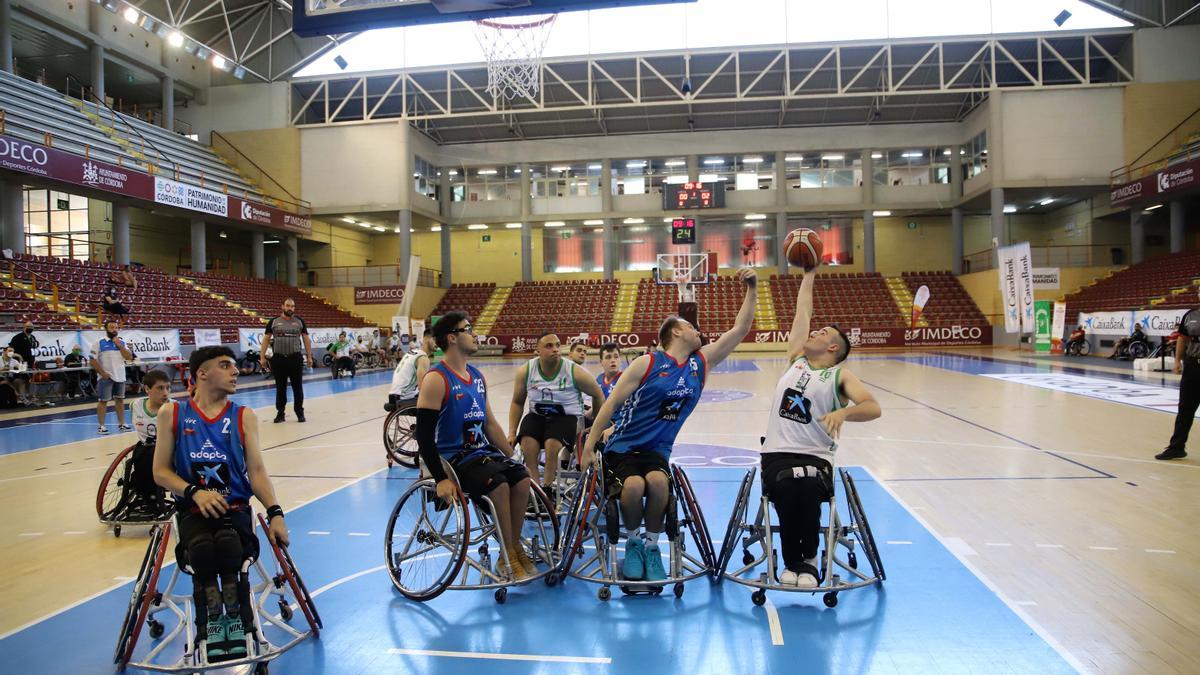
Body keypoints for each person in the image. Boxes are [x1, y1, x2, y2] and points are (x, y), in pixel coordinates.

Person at [582, 267, 758, 583]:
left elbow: (741, 328)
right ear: (675, 332)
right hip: (622, 448)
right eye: (690, 326)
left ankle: (651, 547)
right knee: (634, 486)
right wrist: (587, 446)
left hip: (657, 452)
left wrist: (752, 288)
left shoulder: (699, 364)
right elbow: (610, 404)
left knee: (660, 484)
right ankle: (632, 543)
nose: (697, 330)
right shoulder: (647, 362)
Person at [153, 346, 289, 661]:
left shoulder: (243, 416)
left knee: (228, 545)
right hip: (192, 510)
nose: (236, 371)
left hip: (235, 510)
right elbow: (160, 472)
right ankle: (211, 622)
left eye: (234, 366)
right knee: (200, 550)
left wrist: (276, 513)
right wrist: (193, 492)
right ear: (201, 373)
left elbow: (257, 472)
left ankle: (237, 621)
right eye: (225, 365)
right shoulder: (171, 414)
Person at [759, 268, 881, 587]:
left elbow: (872, 407)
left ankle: (809, 560)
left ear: (833, 349)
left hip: (816, 457)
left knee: (807, 483)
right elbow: (803, 311)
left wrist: (844, 414)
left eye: (823, 332)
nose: (815, 332)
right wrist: (809, 274)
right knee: (786, 485)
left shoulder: (840, 376)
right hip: (777, 454)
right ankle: (792, 561)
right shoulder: (796, 360)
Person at [415, 312, 536, 580]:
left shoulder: (477, 376)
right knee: (500, 484)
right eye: (468, 329)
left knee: (521, 477)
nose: (474, 333)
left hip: (481, 453)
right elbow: (422, 437)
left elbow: (490, 423)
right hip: (454, 460)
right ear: (452, 338)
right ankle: (506, 554)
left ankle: (513, 548)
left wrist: (511, 455)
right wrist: (439, 479)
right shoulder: (436, 379)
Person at [508, 333, 604, 498]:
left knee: (552, 444)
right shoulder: (525, 371)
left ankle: (548, 489)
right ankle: (535, 490)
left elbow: (598, 395)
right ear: (537, 350)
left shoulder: (574, 371)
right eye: (549, 346)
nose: (555, 349)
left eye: (558, 345)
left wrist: (595, 424)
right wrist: (511, 431)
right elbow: (517, 402)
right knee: (527, 443)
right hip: (537, 415)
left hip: (568, 417)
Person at [1156, 289, 1200, 461]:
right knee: (1185, 409)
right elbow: (1182, 339)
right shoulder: (1190, 315)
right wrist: (1177, 361)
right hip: (1193, 366)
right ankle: (1177, 447)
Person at [126, 369, 172, 517]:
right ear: (147, 389)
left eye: (167, 388)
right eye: (160, 388)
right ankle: (142, 493)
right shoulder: (135, 405)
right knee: (141, 452)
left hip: (170, 450)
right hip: (145, 448)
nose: (165, 393)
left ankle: (150, 496)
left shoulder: (175, 407)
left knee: (151, 454)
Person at [260, 299, 314, 424]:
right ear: (282, 306)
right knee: (280, 388)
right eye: (288, 306)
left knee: (297, 387)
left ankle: (300, 413)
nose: (290, 308)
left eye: (293, 306)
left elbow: (306, 339)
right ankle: (280, 413)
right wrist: (262, 357)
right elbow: (266, 339)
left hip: (295, 358)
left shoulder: (299, 321)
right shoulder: (274, 322)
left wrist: (309, 356)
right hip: (279, 359)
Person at [90, 320, 134, 434]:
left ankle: (122, 424)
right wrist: (102, 373)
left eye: (116, 327)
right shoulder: (99, 342)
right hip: (106, 377)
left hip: (120, 376)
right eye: (111, 327)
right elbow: (92, 360)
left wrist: (119, 345)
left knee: (120, 400)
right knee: (103, 401)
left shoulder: (122, 342)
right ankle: (101, 426)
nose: (114, 329)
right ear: (106, 329)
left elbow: (129, 357)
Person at [388, 333, 435, 409]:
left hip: (394, 394)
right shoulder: (423, 358)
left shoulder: (412, 352)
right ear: (426, 339)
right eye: (434, 339)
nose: (437, 343)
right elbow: (422, 386)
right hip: (403, 397)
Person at [7, 320, 45, 406]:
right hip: (20, 362)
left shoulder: (33, 338)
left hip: (30, 362)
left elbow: (33, 350)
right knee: (22, 380)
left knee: (29, 380)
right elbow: (9, 351)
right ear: (24, 328)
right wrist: (18, 356)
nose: (30, 329)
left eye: (31, 328)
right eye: (28, 327)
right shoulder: (17, 337)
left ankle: (31, 396)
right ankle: (23, 398)